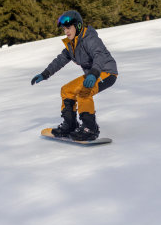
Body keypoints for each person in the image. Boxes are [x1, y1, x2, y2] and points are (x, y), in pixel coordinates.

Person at [31, 10, 118, 141]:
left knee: (84, 93)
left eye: (68, 28)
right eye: (64, 29)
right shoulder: (72, 44)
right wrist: (45, 74)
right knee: (67, 90)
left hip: (106, 72)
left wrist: (94, 74)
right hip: (92, 74)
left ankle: (90, 129)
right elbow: (60, 60)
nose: (66, 31)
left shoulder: (90, 39)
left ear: (77, 26)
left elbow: (99, 56)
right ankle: (70, 125)